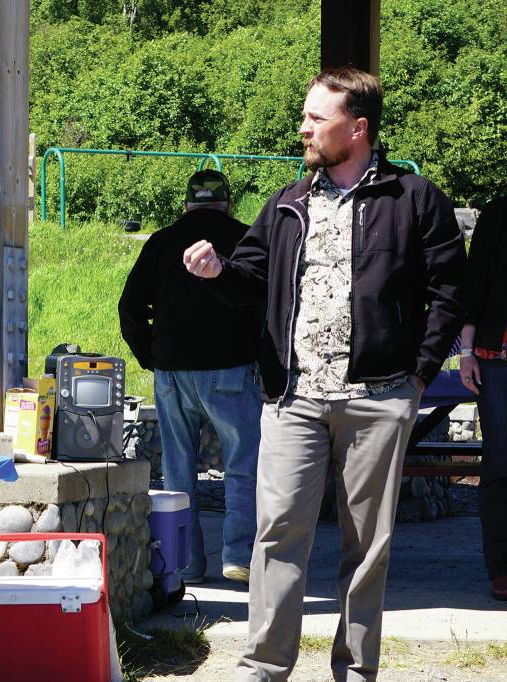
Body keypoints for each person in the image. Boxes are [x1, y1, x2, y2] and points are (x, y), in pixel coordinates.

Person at [183, 67, 466, 681]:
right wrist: (216, 273)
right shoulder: (288, 204)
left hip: (380, 397)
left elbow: (450, 290)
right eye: (306, 115)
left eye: (318, 117)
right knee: (278, 531)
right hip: (293, 398)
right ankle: (263, 665)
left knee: (367, 546)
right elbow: (251, 280)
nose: (304, 127)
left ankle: (355, 668)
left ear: (357, 128)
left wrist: (418, 375)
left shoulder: (413, 199)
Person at [118, 170, 262, 587]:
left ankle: (185, 565)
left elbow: (129, 307)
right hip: (231, 369)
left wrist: (150, 356)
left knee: (178, 471)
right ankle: (239, 556)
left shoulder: (161, 242)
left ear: (186, 205)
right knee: (242, 465)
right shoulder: (246, 238)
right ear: (228, 204)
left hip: (171, 372)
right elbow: (267, 302)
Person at [459, 194, 507, 602]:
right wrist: (467, 351)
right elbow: (475, 283)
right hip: (498, 360)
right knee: (500, 464)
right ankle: (502, 568)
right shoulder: (498, 211)